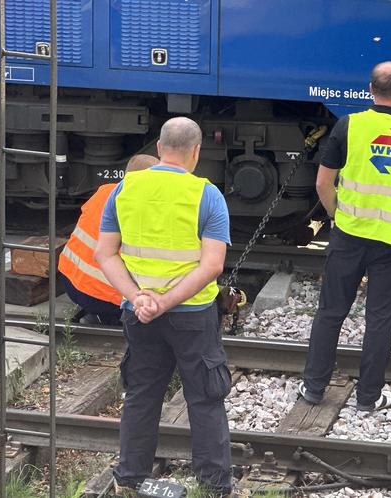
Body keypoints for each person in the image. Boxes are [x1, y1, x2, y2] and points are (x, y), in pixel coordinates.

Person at [95, 117, 233, 495]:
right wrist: (167, 302)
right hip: (192, 316)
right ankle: (214, 485)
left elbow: (105, 254)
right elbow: (213, 265)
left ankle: (130, 478)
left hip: (138, 313)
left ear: (158, 148)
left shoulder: (124, 189)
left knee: (142, 394)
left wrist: (138, 297)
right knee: (205, 397)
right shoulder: (207, 195)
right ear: (196, 152)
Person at [298, 61, 391, 411]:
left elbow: (322, 183)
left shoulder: (349, 126)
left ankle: (314, 388)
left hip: (350, 235)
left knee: (331, 312)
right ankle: (368, 396)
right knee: (379, 320)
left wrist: (337, 217)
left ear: (370, 90)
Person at [59, 154, 159, 325]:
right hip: (101, 297)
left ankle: (96, 313)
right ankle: (103, 316)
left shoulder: (105, 191)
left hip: (68, 281)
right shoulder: (143, 209)